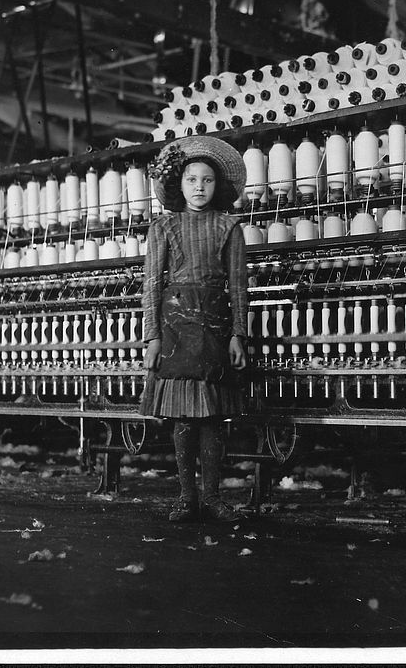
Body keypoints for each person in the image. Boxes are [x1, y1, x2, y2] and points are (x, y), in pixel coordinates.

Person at [140, 136, 249, 523]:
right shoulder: (164, 226)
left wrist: (239, 334)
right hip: (175, 328)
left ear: (218, 186)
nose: (199, 187)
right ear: (178, 184)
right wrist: (152, 336)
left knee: (213, 418)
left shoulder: (229, 226)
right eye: (191, 179)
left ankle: (214, 498)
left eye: (207, 180)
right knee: (183, 419)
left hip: (216, 327)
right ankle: (186, 498)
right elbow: (151, 283)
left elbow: (238, 286)